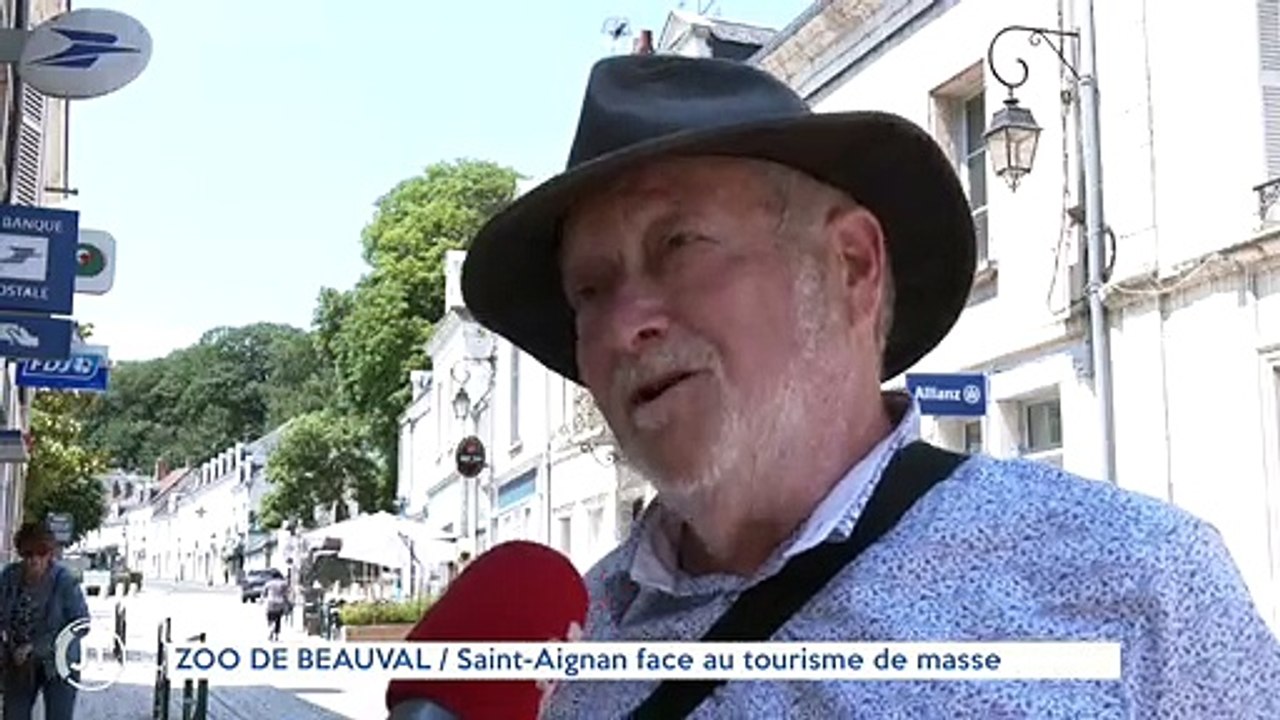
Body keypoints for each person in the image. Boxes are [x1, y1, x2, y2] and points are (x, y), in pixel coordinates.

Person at [460, 54, 1280, 717]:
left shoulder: (1135, 581)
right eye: (589, 291)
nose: (621, 323)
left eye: (680, 246)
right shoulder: (557, 655)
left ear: (851, 266)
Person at [0, 521, 88, 720]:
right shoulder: (9, 577)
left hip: (59, 664)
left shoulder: (65, 581)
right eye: (28, 554)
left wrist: (35, 647)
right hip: (20, 664)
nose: (34, 560)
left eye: (41, 553)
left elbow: (81, 624)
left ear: (50, 554)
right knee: (14, 715)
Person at [263, 571, 289, 642]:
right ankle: (276, 635)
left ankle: (271, 627)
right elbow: (285, 594)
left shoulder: (268, 583)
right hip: (280, 602)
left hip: (270, 602)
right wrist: (287, 603)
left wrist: (263, 599)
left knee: (270, 616)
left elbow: (264, 593)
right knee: (278, 619)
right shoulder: (283, 583)